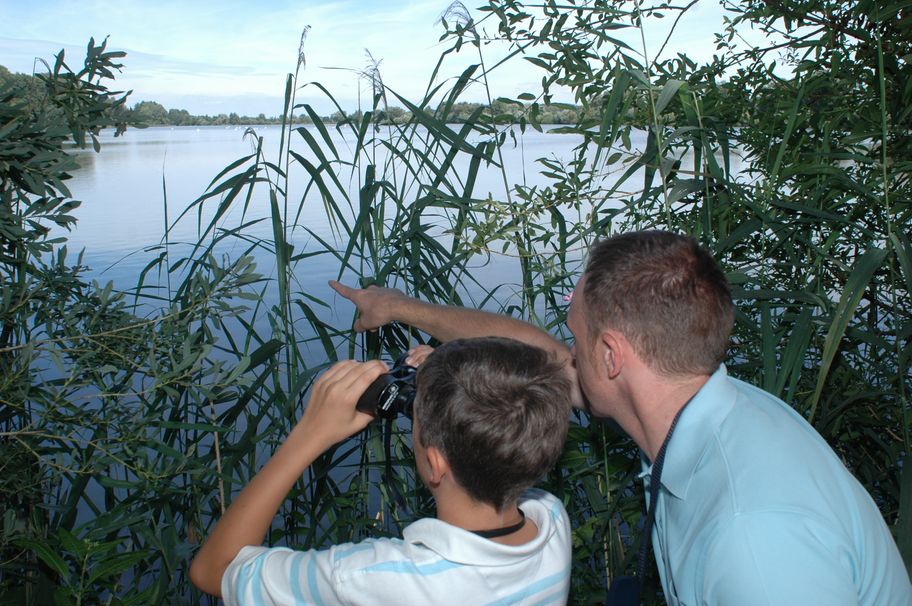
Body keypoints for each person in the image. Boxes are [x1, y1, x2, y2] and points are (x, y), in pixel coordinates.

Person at [330, 230, 912, 606]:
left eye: (578, 334)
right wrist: (399, 307)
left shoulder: (754, 542)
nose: (568, 349)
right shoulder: (714, 404)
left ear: (611, 356)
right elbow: (539, 356)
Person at [189, 337, 574, 605]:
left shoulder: (371, 579)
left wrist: (307, 436)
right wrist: (453, 378)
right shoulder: (551, 520)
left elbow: (213, 571)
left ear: (436, 464)